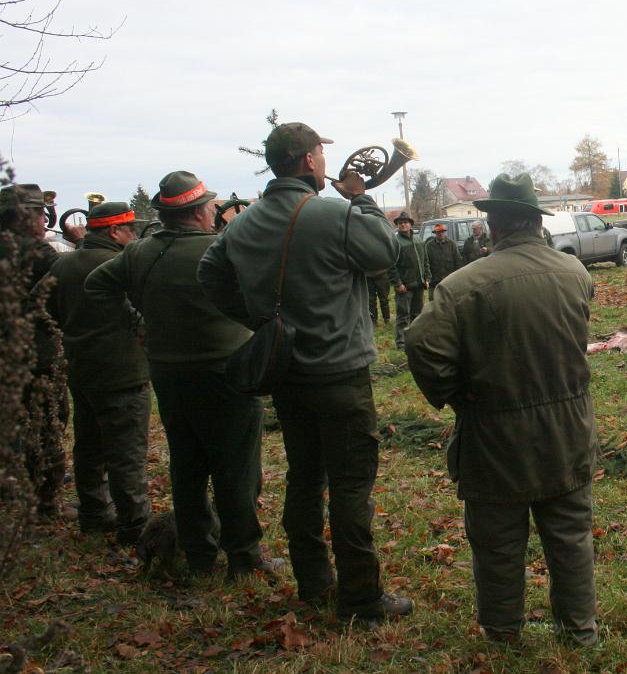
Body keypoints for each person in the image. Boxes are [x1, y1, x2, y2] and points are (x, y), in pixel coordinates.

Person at [198, 123, 410, 623]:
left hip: (287, 373)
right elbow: (385, 252)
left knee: (304, 477)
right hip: (340, 374)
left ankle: (314, 583)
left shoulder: (242, 223)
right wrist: (361, 198)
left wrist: (260, 321)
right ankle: (361, 599)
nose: (324, 161)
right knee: (351, 486)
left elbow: (210, 273)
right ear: (309, 160)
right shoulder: (333, 213)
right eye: (320, 152)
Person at [404, 173, 598, 645]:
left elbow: (420, 343)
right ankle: (580, 631)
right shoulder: (576, 273)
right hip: (568, 428)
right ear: (537, 222)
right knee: (571, 534)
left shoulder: (462, 285)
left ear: (493, 225)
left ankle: (501, 631)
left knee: (497, 540)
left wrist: (455, 392)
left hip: (495, 434)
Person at [88, 173, 275, 580]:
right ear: (198, 212)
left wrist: (136, 319)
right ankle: (243, 558)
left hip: (168, 374)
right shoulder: (221, 248)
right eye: (209, 206)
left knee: (187, 467)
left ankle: (199, 555)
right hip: (226, 374)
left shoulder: (139, 252)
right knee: (237, 470)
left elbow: (96, 284)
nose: (212, 211)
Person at [43, 201, 151, 544]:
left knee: (89, 446)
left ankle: (93, 514)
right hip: (123, 372)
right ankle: (134, 526)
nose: (134, 236)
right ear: (115, 231)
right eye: (130, 229)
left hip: (82, 369)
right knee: (127, 453)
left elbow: (40, 307)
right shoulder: (123, 265)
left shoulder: (63, 263)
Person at [0, 183, 67, 518]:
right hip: (36, 353)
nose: (44, 220)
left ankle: (10, 484)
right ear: (24, 216)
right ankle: (45, 500)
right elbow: (69, 283)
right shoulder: (38, 252)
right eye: (40, 213)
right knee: (47, 422)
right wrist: (84, 244)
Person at [388, 212, 430, 350]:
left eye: (405, 222)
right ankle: (401, 343)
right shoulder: (395, 242)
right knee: (403, 316)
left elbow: (425, 260)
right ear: (397, 225)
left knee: (417, 315)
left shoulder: (418, 240)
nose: (403, 225)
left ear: (410, 224)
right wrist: (398, 283)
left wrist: (427, 277)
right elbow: (391, 265)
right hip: (404, 287)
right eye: (400, 223)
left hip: (419, 284)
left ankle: (416, 339)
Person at [424, 224, 461, 300]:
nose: (440, 234)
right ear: (435, 233)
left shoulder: (452, 244)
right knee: (433, 300)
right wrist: (428, 278)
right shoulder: (429, 246)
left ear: (444, 232)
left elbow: (458, 260)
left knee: (449, 300)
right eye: (438, 232)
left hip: (449, 279)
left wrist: (457, 276)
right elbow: (426, 263)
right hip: (434, 280)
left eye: (442, 232)